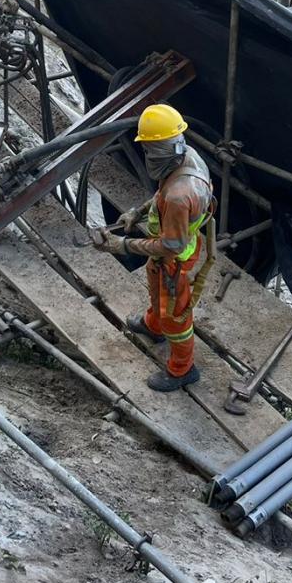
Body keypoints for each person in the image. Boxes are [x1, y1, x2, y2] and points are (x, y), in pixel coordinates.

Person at [90, 104, 214, 392]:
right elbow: (162, 192)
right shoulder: (184, 159)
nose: (146, 155)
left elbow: (171, 245)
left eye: (149, 149)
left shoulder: (180, 196)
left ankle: (183, 369)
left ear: (162, 147)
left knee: (176, 317)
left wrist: (122, 245)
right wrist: (138, 211)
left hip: (175, 261)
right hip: (166, 256)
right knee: (157, 291)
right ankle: (153, 325)